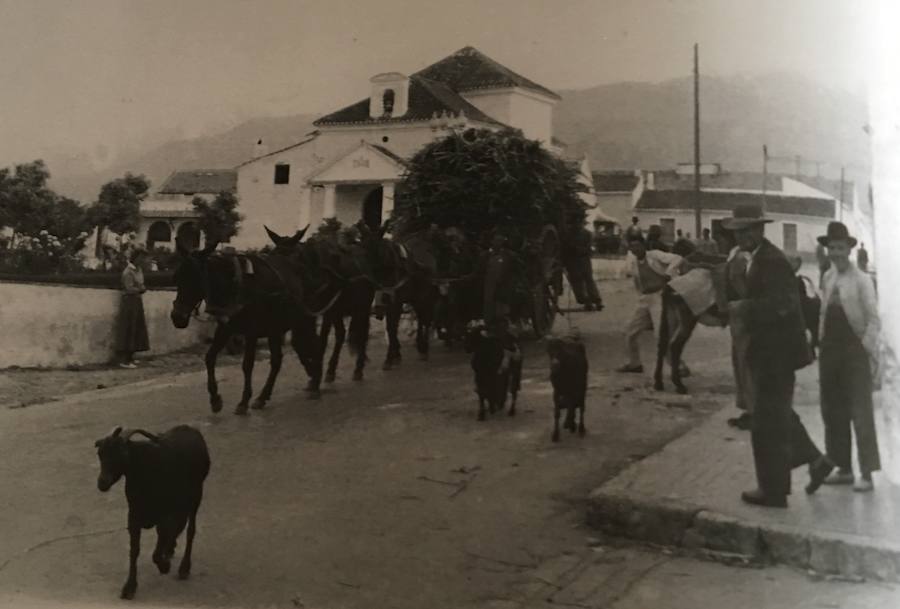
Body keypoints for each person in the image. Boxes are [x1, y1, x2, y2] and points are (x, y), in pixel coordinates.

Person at [724, 205, 834, 508]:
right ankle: (815, 460)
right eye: (738, 231)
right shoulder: (756, 257)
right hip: (769, 351)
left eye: (747, 230)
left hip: (776, 353)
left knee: (765, 421)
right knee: (776, 413)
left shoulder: (771, 260)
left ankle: (773, 492)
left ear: (760, 229)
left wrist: (743, 308)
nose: (742, 236)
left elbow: (783, 305)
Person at [817, 222, 881, 492]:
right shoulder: (828, 278)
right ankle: (843, 468)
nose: (836, 253)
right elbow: (822, 315)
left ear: (849, 249)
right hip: (830, 353)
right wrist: (819, 343)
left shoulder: (862, 280)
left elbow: (874, 320)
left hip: (854, 354)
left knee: (860, 412)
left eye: (840, 248)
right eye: (831, 248)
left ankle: (866, 474)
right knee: (833, 411)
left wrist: (865, 350)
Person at [617, 234, 683, 373]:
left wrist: (668, 275)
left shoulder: (654, 255)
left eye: (637, 245)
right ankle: (634, 364)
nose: (635, 249)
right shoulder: (633, 263)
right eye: (632, 247)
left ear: (643, 245)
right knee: (629, 332)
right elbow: (636, 282)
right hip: (645, 299)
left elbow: (678, 258)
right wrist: (641, 295)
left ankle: (679, 366)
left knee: (661, 335)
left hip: (660, 297)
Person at [116, 248, 150, 368]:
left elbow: (141, 283)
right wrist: (140, 289)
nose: (143, 260)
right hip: (129, 302)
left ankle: (131, 356)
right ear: (135, 257)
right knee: (129, 327)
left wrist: (141, 288)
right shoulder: (128, 272)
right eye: (141, 257)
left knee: (136, 328)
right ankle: (124, 360)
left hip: (137, 301)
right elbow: (128, 288)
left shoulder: (139, 270)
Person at [565, 226, 604, 311]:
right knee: (587, 279)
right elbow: (590, 247)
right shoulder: (587, 233)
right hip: (582, 259)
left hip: (576, 259)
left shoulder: (570, 234)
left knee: (581, 280)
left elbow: (568, 247)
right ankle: (595, 301)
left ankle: (590, 301)